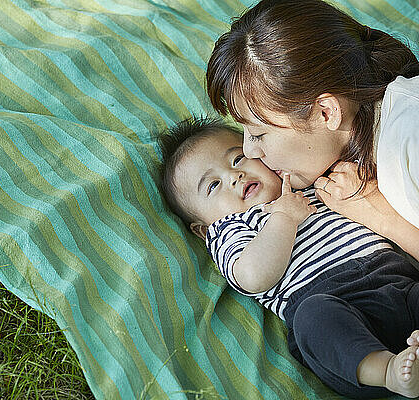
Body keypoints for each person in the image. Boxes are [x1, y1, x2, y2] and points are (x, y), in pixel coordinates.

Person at [159, 116, 419, 398]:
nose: (235, 176)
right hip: (336, 307)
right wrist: (284, 217)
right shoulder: (229, 228)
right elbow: (253, 276)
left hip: (397, 280)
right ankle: (389, 370)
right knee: (313, 319)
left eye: (237, 160)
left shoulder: (302, 181)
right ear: (202, 230)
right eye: (213, 186)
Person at [205, 0, 419, 262]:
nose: (249, 150)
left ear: (326, 112)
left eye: (259, 134)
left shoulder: (410, 135)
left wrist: (383, 219)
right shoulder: (353, 145)